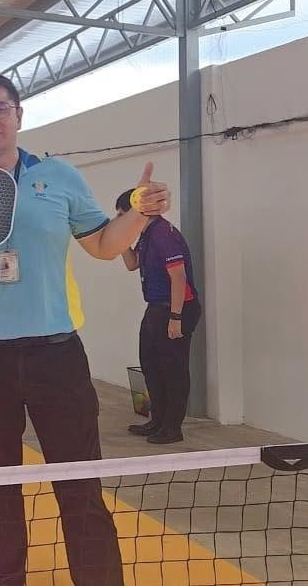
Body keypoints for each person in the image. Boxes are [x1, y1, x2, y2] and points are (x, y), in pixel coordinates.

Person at [0, 73, 170, 586]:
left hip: (56, 356)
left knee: (79, 482)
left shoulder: (59, 177)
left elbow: (103, 244)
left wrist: (139, 214)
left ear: (19, 115)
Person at [114, 190, 202, 445]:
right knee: (151, 365)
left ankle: (172, 427)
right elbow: (132, 264)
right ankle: (158, 420)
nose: (120, 221)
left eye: (122, 216)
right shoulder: (146, 235)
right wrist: (120, 241)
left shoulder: (164, 235)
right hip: (155, 307)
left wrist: (175, 317)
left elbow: (179, 278)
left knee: (173, 370)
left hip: (175, 308)